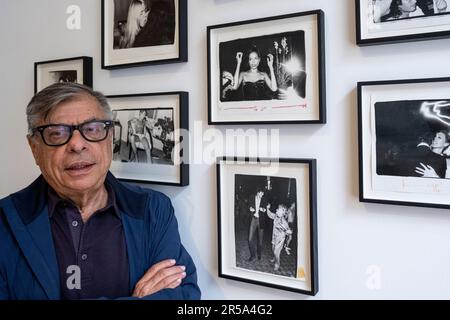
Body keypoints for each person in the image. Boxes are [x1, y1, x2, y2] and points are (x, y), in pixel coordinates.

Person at [0, 83, 200, 300]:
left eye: (92, 129)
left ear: (110, 137)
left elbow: (184, 295)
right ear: (35, 148)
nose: (77, 145)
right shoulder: (5, 221)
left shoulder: (152, 209)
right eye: (57, 133)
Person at [266, 203, 293, 271]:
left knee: (276, 252)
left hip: (280, 239)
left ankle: (277, 264)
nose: (276, 210)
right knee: (273, 248)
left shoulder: (284, 222)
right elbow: (270, 214)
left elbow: (289, 234)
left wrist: (287, 244)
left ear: (283, 212)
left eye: (278, 209)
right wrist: (267, 208)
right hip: (274, 236)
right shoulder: (276, 216)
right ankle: (274, 258)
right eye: (277, 209)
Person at [247, 188, 267, 261]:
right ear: (258, 192)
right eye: (261, 193)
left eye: (263, 193)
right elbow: (248, 206)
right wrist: (250, 208)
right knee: (250, 239)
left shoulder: (264, 199)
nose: (263, 194)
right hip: (253, 219)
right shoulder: (251, 197)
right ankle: (252, 255)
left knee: (260, 240)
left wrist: (264, 210)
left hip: (261, 221)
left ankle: (259, 254)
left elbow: (265, 209)